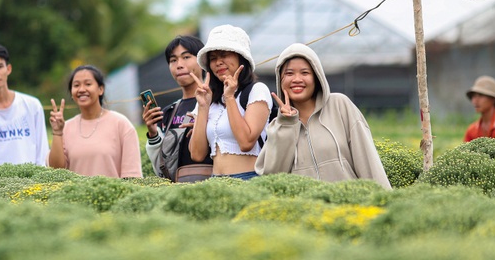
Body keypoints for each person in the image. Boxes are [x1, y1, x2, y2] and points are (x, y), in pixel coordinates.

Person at [255, 43, 391, 189]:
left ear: (316, 77)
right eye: (289, 73)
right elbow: (272, 177)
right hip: (309, 209)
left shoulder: (339, 105)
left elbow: (367, 159)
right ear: (280, 81)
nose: (297, 79)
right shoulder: (278, 126)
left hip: (353, 205)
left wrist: (384, 198)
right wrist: (287, 124)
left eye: (305, 73)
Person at [188, 25, 272, 180]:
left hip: (248, 179)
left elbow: (246, 142)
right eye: (213, 58)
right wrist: (203, 107)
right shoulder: (209, 97)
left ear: (241, 57)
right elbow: (197, 154)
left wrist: (230, 98)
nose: (218, 62)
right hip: (215, 181)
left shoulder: (257, 90)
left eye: (224, 55)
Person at [48, 65, 142, 178]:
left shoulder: (121, 124)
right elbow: (56, 172)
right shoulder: (65, 127)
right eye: (76, 85)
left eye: (88, 84)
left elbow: (132, 175)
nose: (82, 89)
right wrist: (57, 132)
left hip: (114, 195)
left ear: (100, 89)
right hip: (74, 195)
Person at [142, 35, 213, 179]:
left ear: (202, 61)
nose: (179, 65)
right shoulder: (168, 112)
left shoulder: (217, 103)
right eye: (173, 60)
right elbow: (162, 168)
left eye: (186, 57)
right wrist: (153, 133)